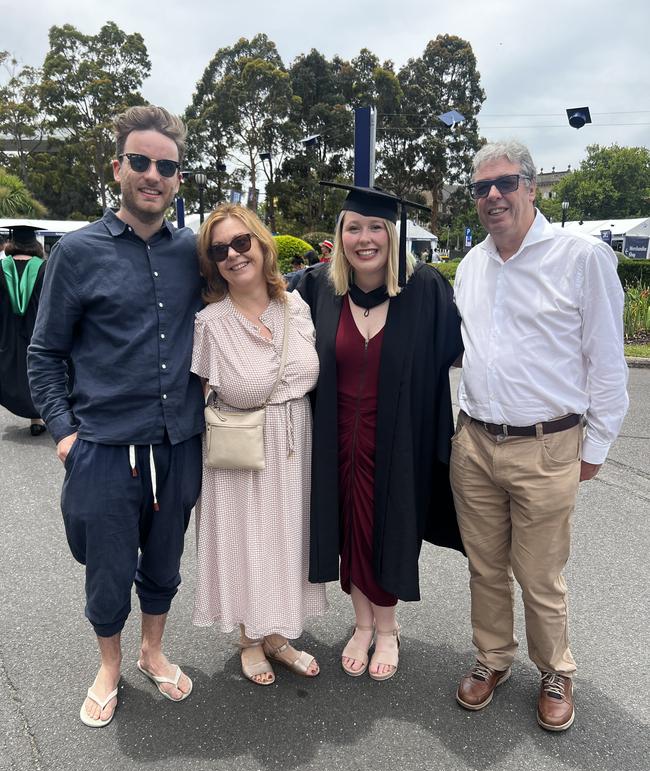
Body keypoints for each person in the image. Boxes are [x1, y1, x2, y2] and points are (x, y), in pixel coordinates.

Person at [28, 105, 204, 727]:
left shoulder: (194, 253)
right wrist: (65, 433)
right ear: (119, 168)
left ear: (178, 178)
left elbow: (249, 290)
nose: (152, 174)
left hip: (178, 443)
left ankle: (154, 651)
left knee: (164, 562)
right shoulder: (76, 254)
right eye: (140, 162)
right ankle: (109, 664)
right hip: (102, 447)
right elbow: (45, 352)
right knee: (106, 568)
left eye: (166, 165)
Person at [450, 140, 629, 731]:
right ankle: (492, 657)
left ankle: (555, 669)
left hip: (548, 443)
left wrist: (596, 447)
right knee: (484, 564)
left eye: (505, 183)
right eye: (482, 187)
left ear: (530, 187)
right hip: (475, 440)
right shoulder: (473, 264)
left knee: (540, 572)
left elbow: (607, 362)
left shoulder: (581, 258)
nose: (493, 195)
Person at [298, 184, 464, 681]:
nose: (364, 238)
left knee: (388, 528)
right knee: (347, 527)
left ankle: (387, 627)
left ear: (393, 235)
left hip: (399, 440)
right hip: (334, 439)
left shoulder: (426, 289)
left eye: (375, 228)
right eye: (354, 228)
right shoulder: (317, 290)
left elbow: (458, 351)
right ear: (340, 236)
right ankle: (362, 623)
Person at [191, 203, 327, 686]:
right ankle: (250, 637)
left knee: (285, 542)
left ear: (262, 244)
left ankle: (275, 633)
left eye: (241, 242)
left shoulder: (298, 308)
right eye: (219, 249)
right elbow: (194, 397)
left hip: (296, 447)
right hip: (241, 451)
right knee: (248, 542)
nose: (233, 254)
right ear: (212, 262)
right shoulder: (209, 324)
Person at [0, 224, 47, 435]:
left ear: (12, 243)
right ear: (34, 244)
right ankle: (37, 418)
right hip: (37, 328)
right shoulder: (45, 267)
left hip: (6, 329)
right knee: (38, 370)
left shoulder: (2, 267)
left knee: (9, 368)